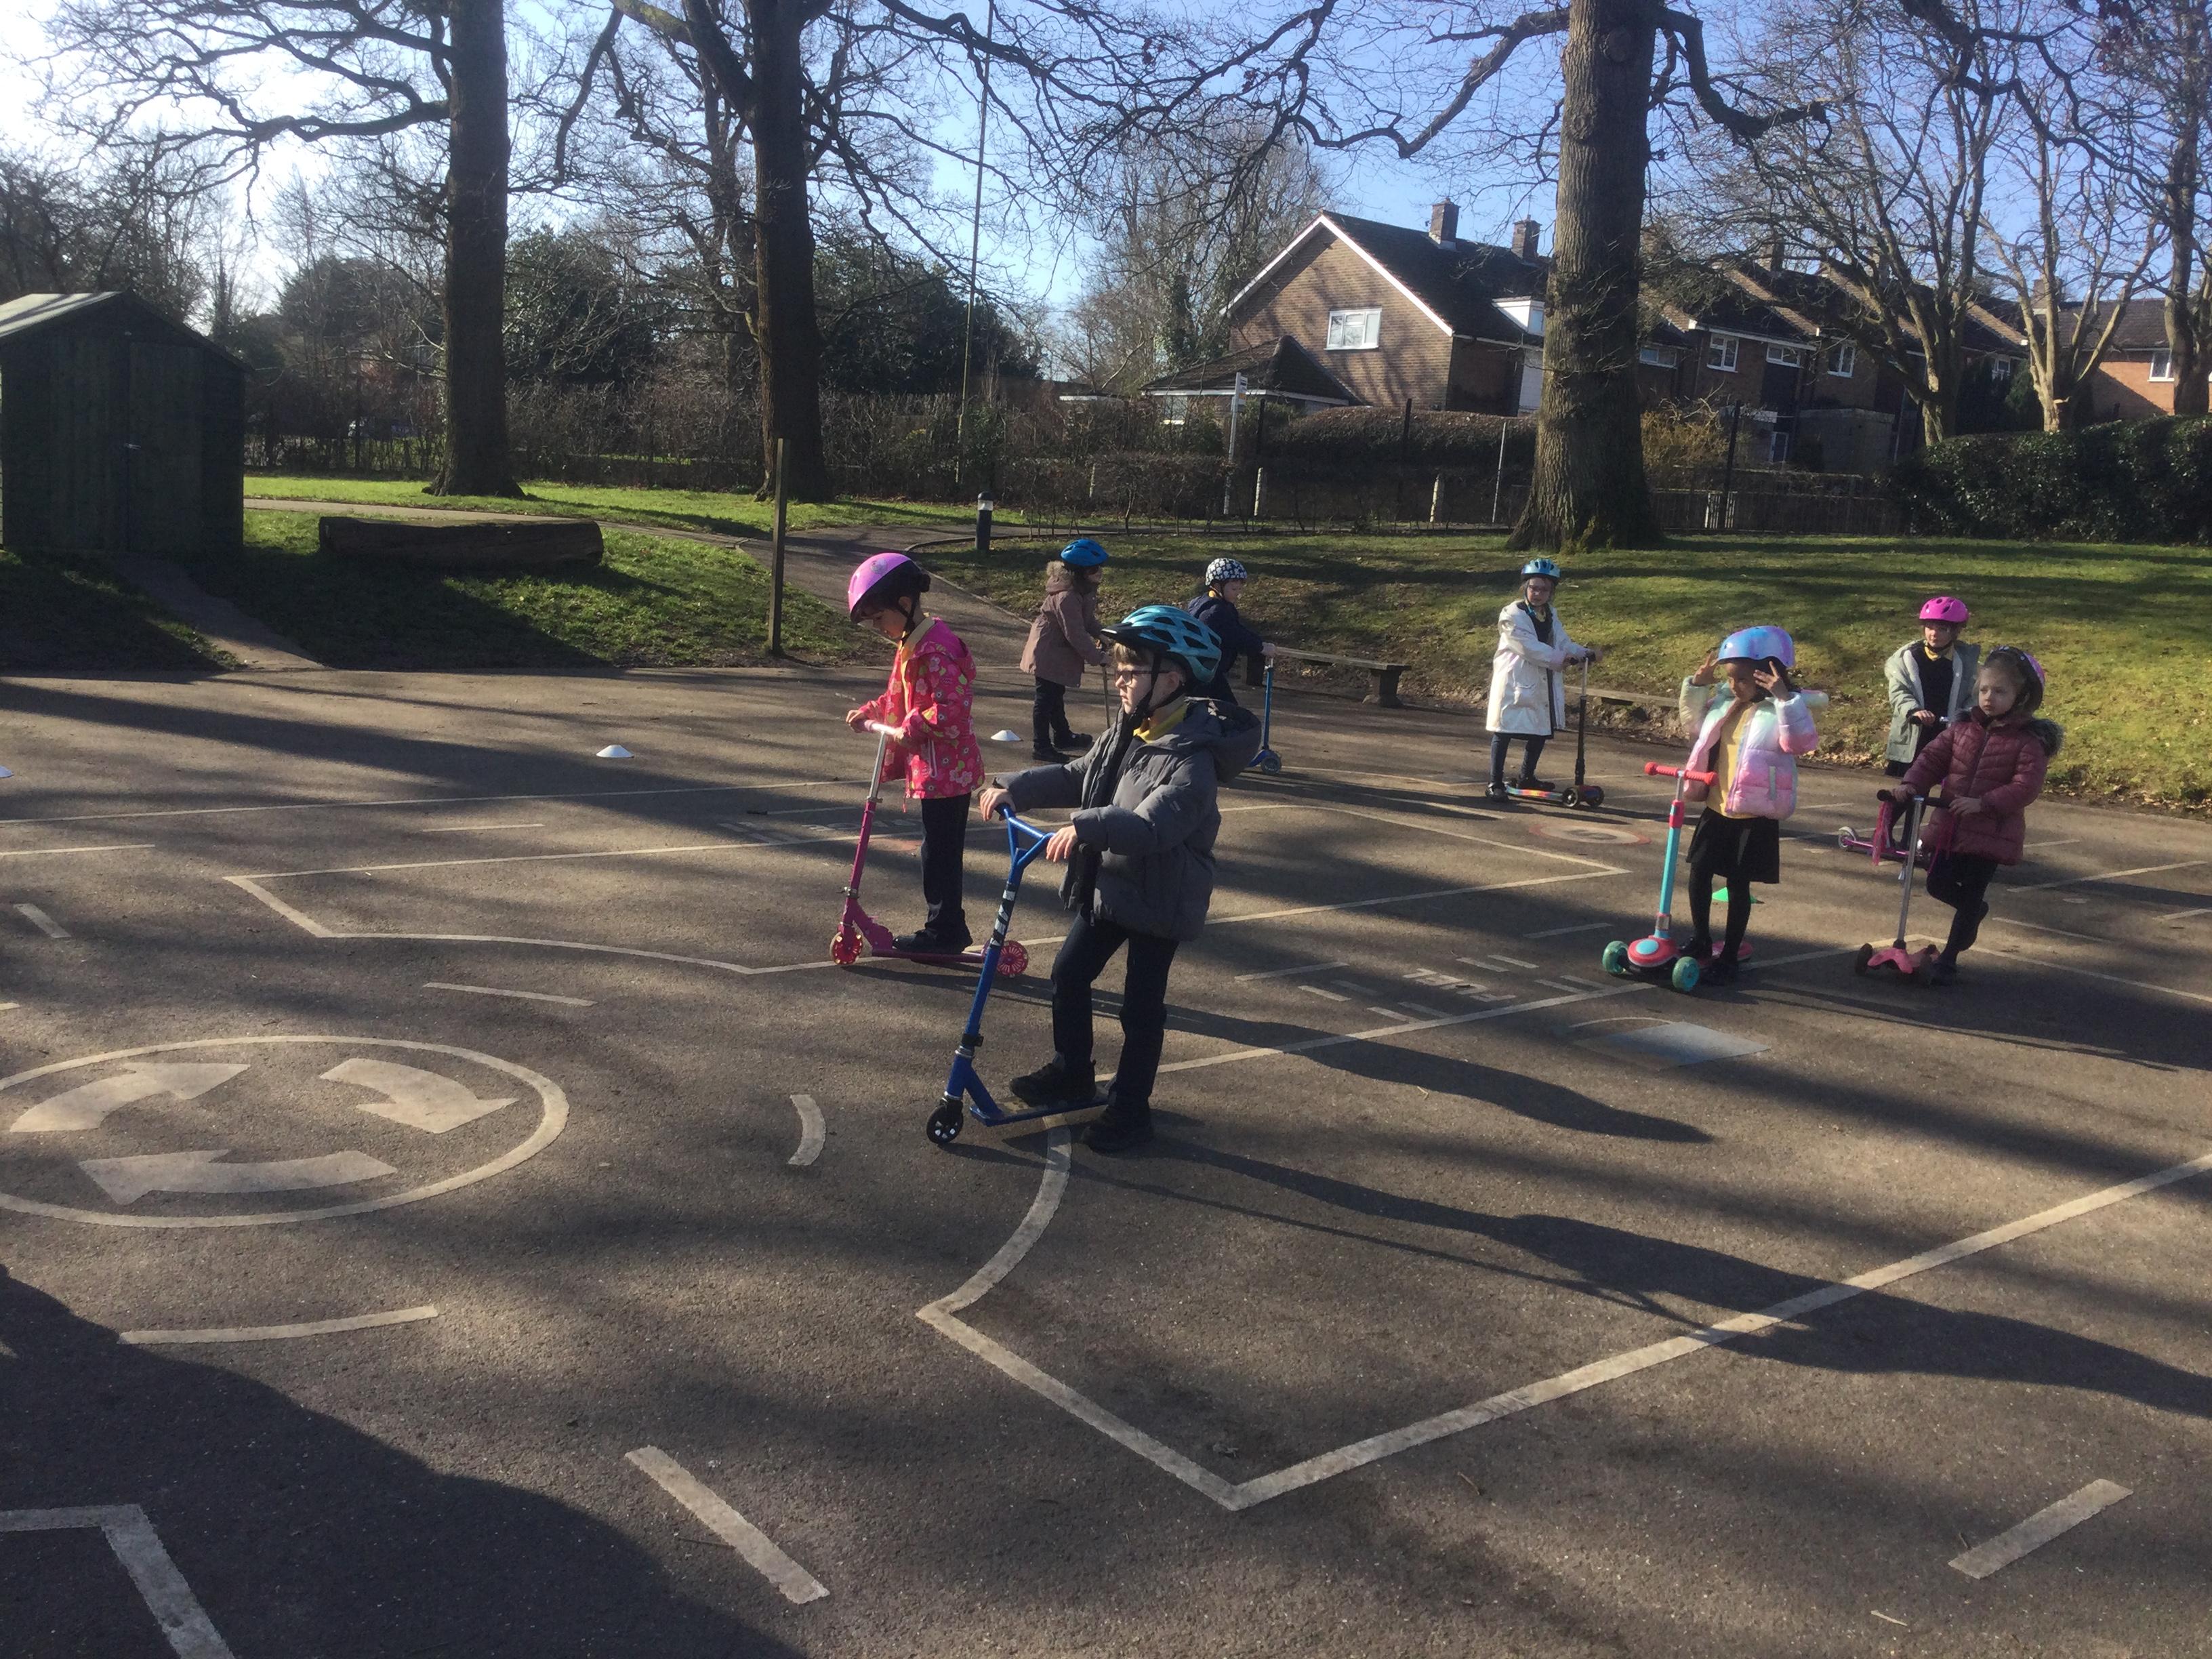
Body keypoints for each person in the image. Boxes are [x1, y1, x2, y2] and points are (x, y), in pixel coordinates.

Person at [978, 605, 1261, 1153]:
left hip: (1161, 897)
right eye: (1120, 670)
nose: (1121, 681)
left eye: (1132, 672)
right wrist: (1015, 787)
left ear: (1171, 680)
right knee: (1069, 973)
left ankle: (1132, 1108)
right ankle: (1072, 1070)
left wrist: (1087, 827)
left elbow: (1155, 827)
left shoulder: (1193, 760)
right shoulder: (1129, 731)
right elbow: (1078, 775)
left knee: (1140, 1008)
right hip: (1113, 885)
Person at [843, 552, 984, 954]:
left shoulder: (935, 650)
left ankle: (945, 931)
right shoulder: (913, 643)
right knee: (935, 851)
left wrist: (914, 726)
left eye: (879, 618)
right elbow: (901, 698)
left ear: (904, 604)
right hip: (933, 768)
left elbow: (952, 708)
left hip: (949, 770)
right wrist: (872, 712)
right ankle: (945, 926)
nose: (878, 627)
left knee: (940, 854)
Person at [1898, 646, 2062, 985]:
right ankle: (1974, 912)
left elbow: (2025, 787)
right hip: (1950, 827)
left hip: (1991, 832)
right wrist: (1910, 784)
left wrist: (1984, 803)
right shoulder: (1962, 730)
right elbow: (1931, 760)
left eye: (2000, 692)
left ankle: (1949, 960)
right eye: (1984, 690)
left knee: (1972, 894)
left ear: (2021, 697)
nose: (1989, 698)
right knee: (1937, 883)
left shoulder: (2028, 742)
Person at [1677, 626, 1821, 983]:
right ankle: (1700, 939)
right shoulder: (1725, 704)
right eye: (1729, 678)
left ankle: (1729, 956)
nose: (1733, 685)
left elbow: (1801, 744)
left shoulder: (1780, 710)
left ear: (1767, 675)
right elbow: (1694, 726)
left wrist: (1785, 700)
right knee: (1699, 872)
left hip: (1753, 812)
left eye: (1741, 679)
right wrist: (1697, 687)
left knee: (1738, 885)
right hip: (1718, 805)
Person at [1486, 557, 1600, 800]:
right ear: (1525, 588)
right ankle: (1495, 782)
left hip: (1541, 681)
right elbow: (1528, 647)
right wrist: (1560, 658)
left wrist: (1583, 653)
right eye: (1533, 588)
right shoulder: (1511, 616)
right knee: (1504, 730)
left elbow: (1562, 642)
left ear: (1551, 592)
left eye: (1544, 590)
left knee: (1540, 729)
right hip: (1515, 680)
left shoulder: (1550, 615)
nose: (1538, 594)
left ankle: (1527, 776)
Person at [1019, 537, 1109, 762]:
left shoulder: (1084, 590)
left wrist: (1103, 634)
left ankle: (1062, 735)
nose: (1099, 573)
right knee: (1045, 699)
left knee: (1056, 696)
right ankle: (1041, 745)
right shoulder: (1067, 596)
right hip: (1048, 651)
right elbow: (1075, 633)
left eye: (1100, 568)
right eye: (1094, 569)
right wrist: (1097, 657)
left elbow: (1087, 620)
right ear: (1079, 573)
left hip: (1059, 652)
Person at [1885, 596, 1980, 777]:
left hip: (1946, 738)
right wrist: (1914, 710)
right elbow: (1899, 692)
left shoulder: (1967, 663)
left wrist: (1965, 716)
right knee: (1901, 788)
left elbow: (1974, 695)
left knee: (1948, 788)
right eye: (1929, 627)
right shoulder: (1907, 659)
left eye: (1942, 629)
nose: (1934, 634)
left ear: (1956, 632)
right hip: (1913, 737)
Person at [1184, 558, 1273, 705]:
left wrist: (1260, 643)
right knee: (1229, 710)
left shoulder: (1209, 603)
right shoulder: (1214, 612)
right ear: (1217, 586)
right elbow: (1236, 636)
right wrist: (1261, 647)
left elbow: (1238, 629)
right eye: (1234, 589)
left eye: (1239, 589)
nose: (1238, 593)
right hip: (1203, 672)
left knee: (1217, 708)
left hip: (1207, 670)